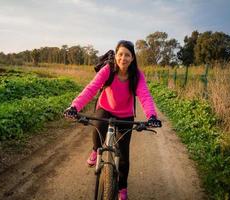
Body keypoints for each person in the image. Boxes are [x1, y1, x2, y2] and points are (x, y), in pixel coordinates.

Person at [64, 40, 161, 200]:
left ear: (132, 58)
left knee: (123, 156)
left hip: (125, 114)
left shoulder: (137, 75)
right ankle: (96, 150)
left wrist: (151, 116)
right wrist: (75, 107)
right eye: (120, 54)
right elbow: (91, 88)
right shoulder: (108, 70)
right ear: (116, 56)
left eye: (127, 55)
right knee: (98, 125)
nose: (123, 58)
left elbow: (145, 96)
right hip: (105, 107)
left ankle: (122, 188)